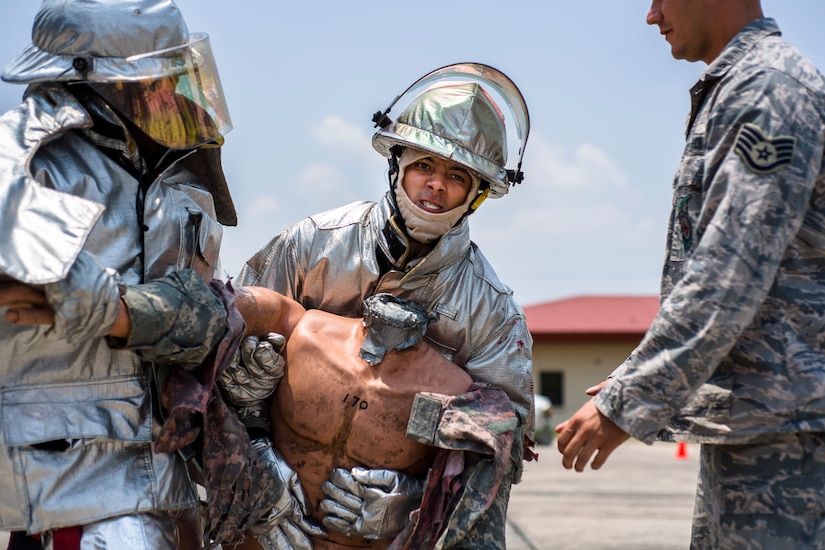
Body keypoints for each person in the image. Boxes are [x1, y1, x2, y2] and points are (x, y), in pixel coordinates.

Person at [555, 1, 825, 548]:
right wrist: (634, 373)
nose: (651, 16)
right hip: (758, 425)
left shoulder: (767, 89)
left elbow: (730, 271)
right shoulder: (739, 86)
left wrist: (626, 401)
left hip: (789, 436)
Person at [237, 63, 536, 548]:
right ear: (396, 163)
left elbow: (498, 455)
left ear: (478, 193)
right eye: (423, 165)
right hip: (268, 526)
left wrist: (413, 505)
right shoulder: (312, 246)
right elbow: (226, 352)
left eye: (456, 175)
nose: (435, 185)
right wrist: (253, 463)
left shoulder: (493, 315)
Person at [0, 0, 240, 547]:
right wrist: (121, 309)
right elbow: (15, 284)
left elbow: (203, 309)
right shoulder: (27, 161)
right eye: (156, 79)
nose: (173, 94)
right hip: (67, 483)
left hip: (163, 477)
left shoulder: (174, 177)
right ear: (96, 82)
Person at [227, 288, 519, 550]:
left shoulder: (451, 393)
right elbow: (214, 313)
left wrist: (416, 505)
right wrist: (250, 438)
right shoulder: (302, 333)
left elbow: (474, 498)